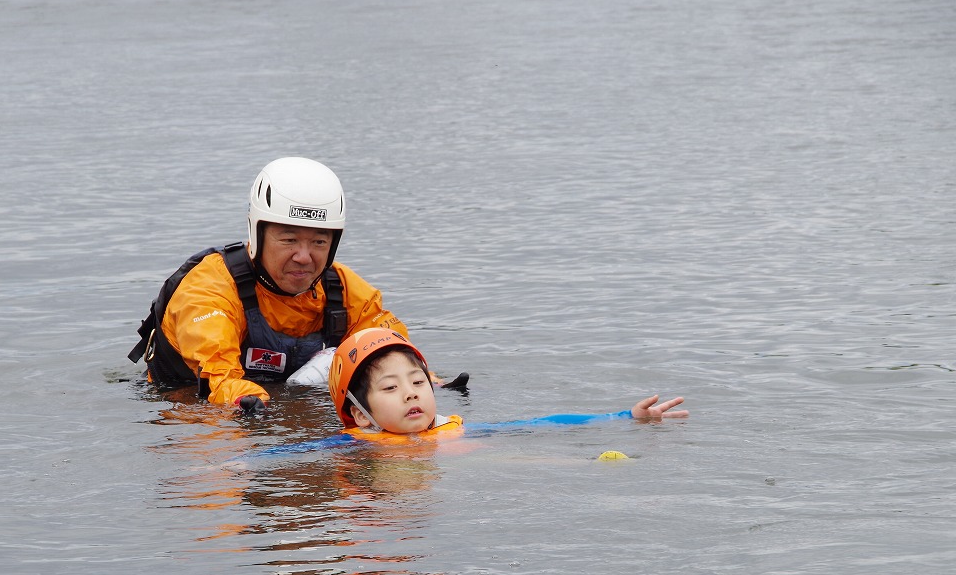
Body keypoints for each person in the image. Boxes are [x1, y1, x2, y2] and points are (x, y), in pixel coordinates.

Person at [129, 157, 410, 413]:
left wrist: (429, 385)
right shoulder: (209, 290)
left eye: (319, 242)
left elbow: (389, 352)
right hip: (194, 405)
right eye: (289, 240)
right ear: (258, 235)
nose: (303, 257)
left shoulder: (344, 290)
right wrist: (251, 406)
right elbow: (219, 376)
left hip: (289, 403)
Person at [328, 329, 688, 441]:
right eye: (390, 388)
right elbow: (276, 458)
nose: (410, 392)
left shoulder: (458, 433)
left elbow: (542, 424)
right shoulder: (352, 448)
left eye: (419, 382)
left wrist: (624, 416)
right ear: (360, 416)